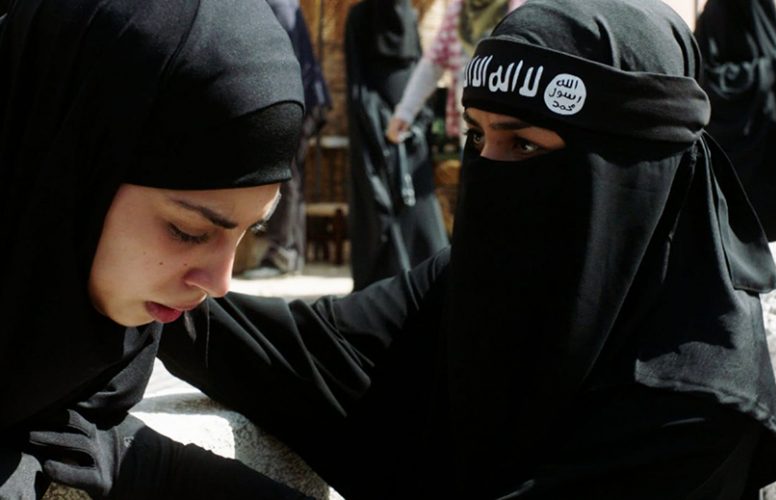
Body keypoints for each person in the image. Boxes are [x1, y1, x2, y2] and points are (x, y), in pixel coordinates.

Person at [157, 0, 776, 498]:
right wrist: (133, 283)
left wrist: (157, 472)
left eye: (524, 145)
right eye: (477, 138)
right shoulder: (476, 282)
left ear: (628, 170)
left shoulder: (694, 406)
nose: (488, 174)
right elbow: (301, 352)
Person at [0, 0, 315, 498]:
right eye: (188, 230)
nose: (220, 283)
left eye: (250, 231)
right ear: (73, 169)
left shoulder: (87, 368)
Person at [344, 0, 449, 290]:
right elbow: (357, 81)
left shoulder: (406, 16)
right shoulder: (362, 16)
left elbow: (418, 68)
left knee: (417, 208)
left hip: (406, 123)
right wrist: (381, 122)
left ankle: (425, 280)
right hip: (379, 126)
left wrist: (416, 121)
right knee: (381, 204)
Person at [243, 0, 332, 279]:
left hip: (298, 97)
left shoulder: (276, 5)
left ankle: (282, 254)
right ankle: (291, 254)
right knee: (291, 177)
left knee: (284, 175)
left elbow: (279, 60)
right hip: (302, 97)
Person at [695, 0, 776, 241]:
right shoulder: (719, 12)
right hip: (736, 155)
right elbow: (710, 82)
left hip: (770, 149)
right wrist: (768, 68)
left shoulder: (765, 11)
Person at [385, 0, 525, 145]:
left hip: (514, 128)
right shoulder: (459, 9)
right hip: (472, 127)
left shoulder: (522, 10)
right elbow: (433, 63)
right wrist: (405, 113)